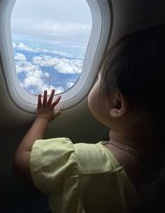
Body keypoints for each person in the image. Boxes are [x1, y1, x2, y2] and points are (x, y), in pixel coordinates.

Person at [13, 25, 165, 213]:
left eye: (99, 77)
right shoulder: (157, 166)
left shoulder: (79, 165)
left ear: (116, 105)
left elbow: (21, 163)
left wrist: (43, 118)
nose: (96, 79)